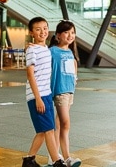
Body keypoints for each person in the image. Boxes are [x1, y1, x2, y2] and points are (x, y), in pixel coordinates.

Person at [22, 17, 67, 167]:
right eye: (38, 29)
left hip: (46, 94)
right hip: (37, 96)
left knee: (43, 131)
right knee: (48, 130)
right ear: (31, 32)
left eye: (45, 28)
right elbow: (30, 74)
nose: (43, 32)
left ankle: (29, 160)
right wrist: (38, 98)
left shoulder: (45, 49)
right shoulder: (32, 50)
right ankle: (57, 162)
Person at [49, 20, 82, 167]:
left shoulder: (70, 52)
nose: (70, 35)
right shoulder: (52, 51)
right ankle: (67, 157)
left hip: (69, 92)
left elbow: (72, 72)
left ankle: (54, 156)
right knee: (65, 123)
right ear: (58, 35)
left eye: (73, 32)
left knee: (59, 124)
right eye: (66, 32)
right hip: (60, 91)